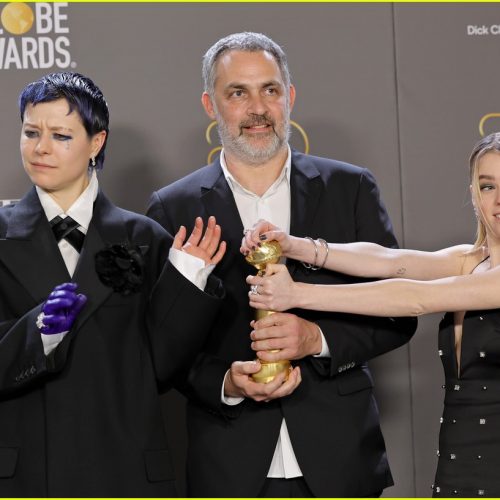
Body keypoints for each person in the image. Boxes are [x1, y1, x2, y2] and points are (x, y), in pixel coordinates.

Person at [147, 32, 417, 497]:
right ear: (211, 105)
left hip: (341, 460)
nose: (258, 108)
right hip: (229, 464)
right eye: (238, 93)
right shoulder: (174, 208)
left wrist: (317, 338)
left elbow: (398, 312)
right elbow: (160, 346)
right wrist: (226, 382)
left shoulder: (350, 188)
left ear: (289, 96)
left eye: (269, 90)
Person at [0, 72, 226, 497]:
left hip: (125, 474)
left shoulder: (147, 238)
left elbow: (163, 366)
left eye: (61, 135)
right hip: (27, 477)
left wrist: (188, 280)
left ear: (96, 142)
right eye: (31, 132)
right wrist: (38, 333)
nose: (40, 148)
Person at [243, 132, 500, 497]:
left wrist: (298, 293)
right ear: (474, 194)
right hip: (459, 468)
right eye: (488, 186)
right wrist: (295, 246)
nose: (498, 199)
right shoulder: (470, 261)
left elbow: (416, 298)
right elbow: (389, 261)